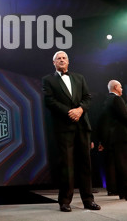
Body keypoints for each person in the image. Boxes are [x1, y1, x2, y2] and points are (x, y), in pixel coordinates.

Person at [42, 51, 101, 212]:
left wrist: (80, 110)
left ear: (68, 62)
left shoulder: (79, 77)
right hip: (63, 127)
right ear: (53, 63)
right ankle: (65, 201)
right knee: (66, 165)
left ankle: (88, 200)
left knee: (85, 164)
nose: (62, 60)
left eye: (64, 58)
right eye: (58, 58)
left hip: (82, 125)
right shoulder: (48, 80)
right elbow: (49, 101)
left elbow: (87, 97)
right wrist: (70, 112)